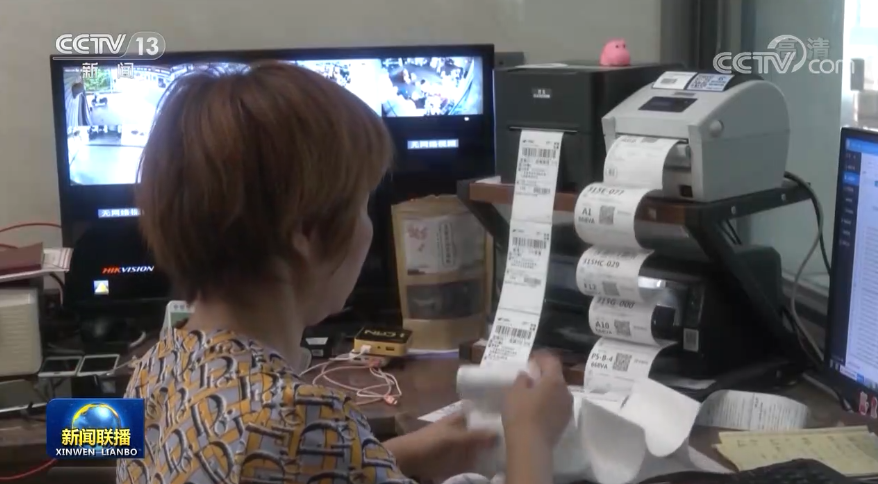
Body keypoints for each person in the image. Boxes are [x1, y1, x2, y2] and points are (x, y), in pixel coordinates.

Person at [118, 61, 573, 484]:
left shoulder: (155, 368)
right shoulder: (291, 418)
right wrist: (530, 438)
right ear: (305, 232)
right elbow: (276, 450)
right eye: (362, 205)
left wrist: (389, 456)